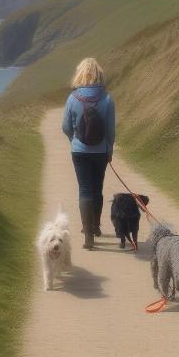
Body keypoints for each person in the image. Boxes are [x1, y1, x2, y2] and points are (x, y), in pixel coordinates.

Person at [62, 57, 115, 250]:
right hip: (101, 151)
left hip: (79, 151)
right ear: (99, 75)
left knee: (84, 190)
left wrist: (74, 140)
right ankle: (95, 226)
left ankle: (89, 237)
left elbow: (66, 126)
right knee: (97, 189)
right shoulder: (107, 99)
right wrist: (109, 149)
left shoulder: (73, 98)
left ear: (80, 75)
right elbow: (110, 131)